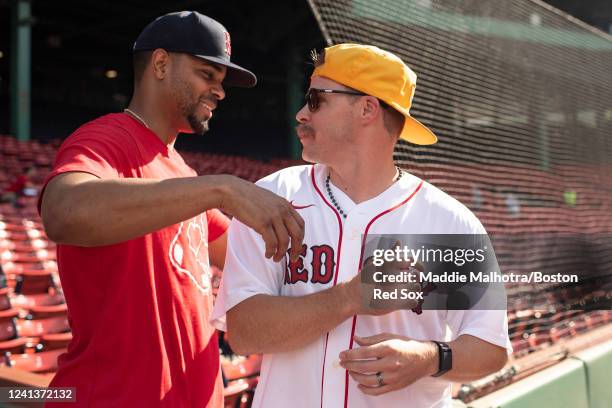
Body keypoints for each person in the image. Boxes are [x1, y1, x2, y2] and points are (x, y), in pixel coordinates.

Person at [212, 44, 511, 407]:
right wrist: (349, 298)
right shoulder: (273, 197)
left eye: (316, 100)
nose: (301, 113)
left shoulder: (449, 221)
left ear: (367, 108)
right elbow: (243, 332)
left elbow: (492, 349)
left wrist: (430, 357)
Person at [38, 11, 304, 408]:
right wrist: (220, 188)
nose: (220, 91)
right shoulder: (106, 138)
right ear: (161, 64)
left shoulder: (182, 171)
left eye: (220, 81)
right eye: (206, 75)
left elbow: (264, 260)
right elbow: (63, 212)